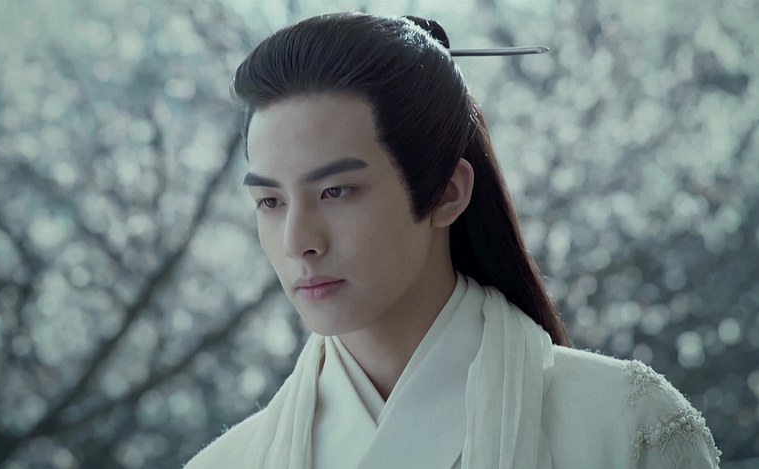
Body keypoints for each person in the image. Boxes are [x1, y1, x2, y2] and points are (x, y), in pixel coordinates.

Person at [184, 12, 721, 469]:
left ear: (447, 192)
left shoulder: (627, 427)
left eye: (336, 191)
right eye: (269, 202)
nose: (298, 241)